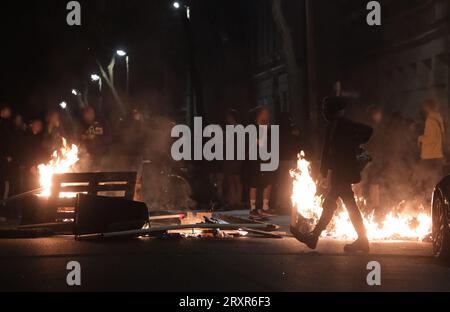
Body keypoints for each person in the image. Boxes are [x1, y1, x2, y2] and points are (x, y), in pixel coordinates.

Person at [292, 97, 373, 253]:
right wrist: (322, 173)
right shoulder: (331, 126)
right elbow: (327, 152)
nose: (324, 112)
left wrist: (353, 144)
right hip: (338, 172)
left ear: (333, 110)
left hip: (344, 172)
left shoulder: (345, 123)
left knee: (331, 204)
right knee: (348, 205)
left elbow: (368, 131)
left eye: (325, 109)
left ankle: (314, 236)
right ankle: (362, 240)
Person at [248, 106, 273, 217]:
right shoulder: (253, 127)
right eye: (265, 113)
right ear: (259, 115)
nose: (267, 116)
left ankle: (265, 207)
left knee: (268, 182)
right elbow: (256, 141)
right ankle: (253, 208)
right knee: (254, 184)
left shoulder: (268, 128)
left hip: (266, 157)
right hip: (255, 159)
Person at [275, 112, 302, 214]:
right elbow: (298, 141)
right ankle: (284, 204)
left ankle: (283, 204)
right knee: (287, 183)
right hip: (288, 159)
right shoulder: (291, 129)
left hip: (283, 159)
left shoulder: (278, 129)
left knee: (284, 183)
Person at [418, 99, 445, 199]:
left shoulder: (430, 120)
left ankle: (428, 202)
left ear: (428, 108)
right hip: (438, 154)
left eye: (425, 107)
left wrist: (420, 138)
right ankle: (437, 203)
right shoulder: (438, 119)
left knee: (426, 181)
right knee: (437, 182)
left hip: (429, 156)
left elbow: (431, 138)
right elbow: (439, 137)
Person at [223, 109, 243, 210]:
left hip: (236, 156)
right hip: (229, 156)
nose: (228, 119)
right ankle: (232, 200)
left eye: (230, 117)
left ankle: (237, 201)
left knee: (237, 179)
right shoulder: (229, 129)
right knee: (231, 179)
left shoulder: (238, 129)